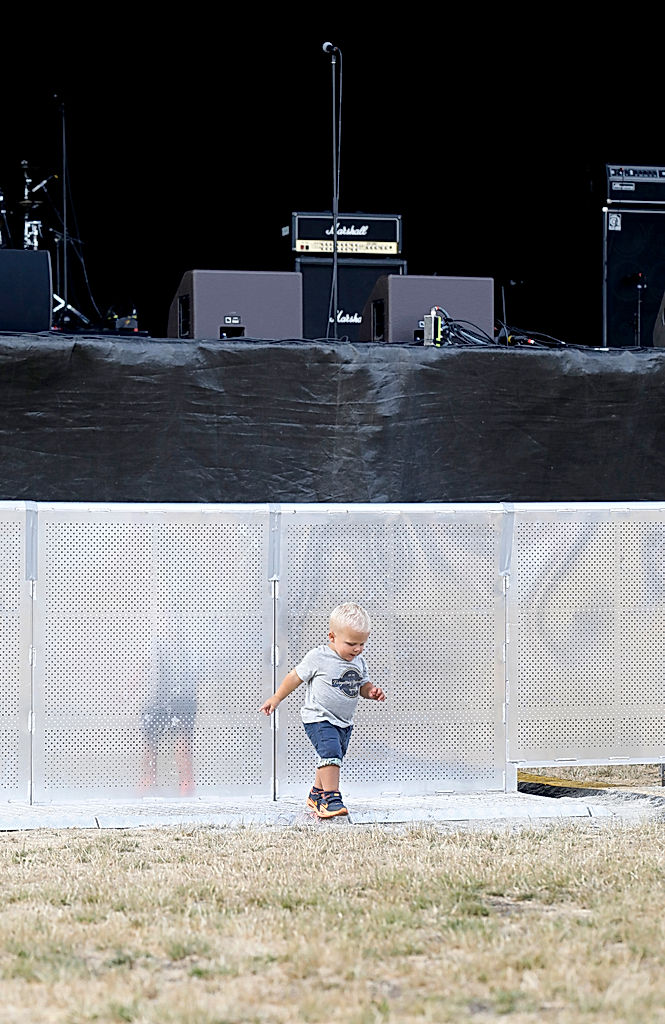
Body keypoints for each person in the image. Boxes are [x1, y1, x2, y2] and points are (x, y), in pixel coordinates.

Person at [259, 602, 385, 817]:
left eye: (362, 643)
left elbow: (362, 686)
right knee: (330, 753)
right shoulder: (319, 657)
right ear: (332, 637)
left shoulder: (358, 661)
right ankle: (331, 799)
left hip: (344, 721)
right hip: (318, 717)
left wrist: (371, 691)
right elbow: (294, 677)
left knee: (332, 758)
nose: (358, 649)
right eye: (352, 643)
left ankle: (316, 794)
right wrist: (277, 697)